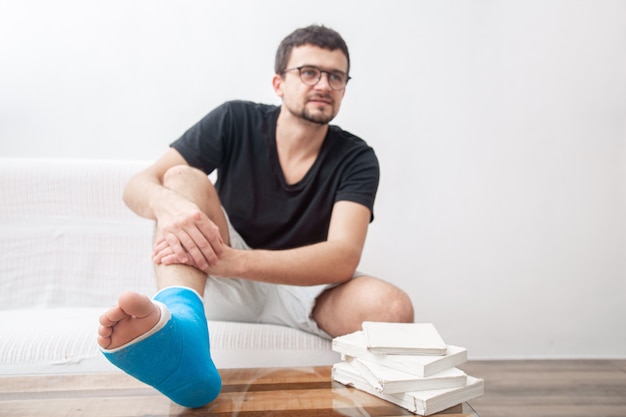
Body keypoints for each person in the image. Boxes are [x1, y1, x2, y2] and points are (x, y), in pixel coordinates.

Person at [97, 24, 414, 408]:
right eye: (309, 72)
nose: (324, 85)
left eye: (336, 76)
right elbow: (138, 186)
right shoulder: (235, 120)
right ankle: (182, 328)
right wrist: (172, 207)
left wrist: (237, 262)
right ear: (279, 83)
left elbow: (343, 256)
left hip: (304, 288)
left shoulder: (357, 157)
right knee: (181, 178)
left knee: (394, 310)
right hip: (220, 275)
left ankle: (186, 354)